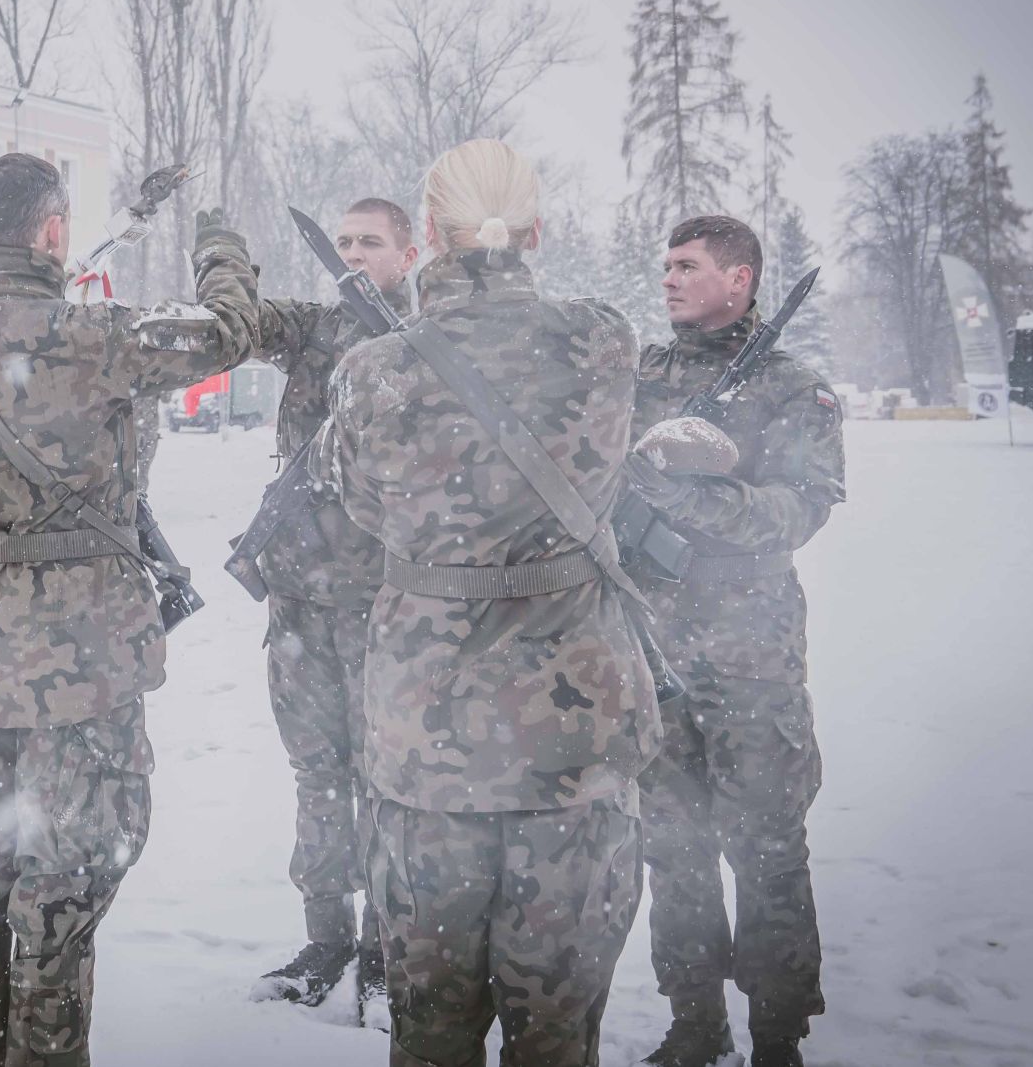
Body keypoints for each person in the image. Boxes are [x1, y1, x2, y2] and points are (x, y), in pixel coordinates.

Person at [0, 153, 260, 1066]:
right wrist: (218, 248)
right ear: (53, 232)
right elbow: (232, 331)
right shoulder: (101, 337)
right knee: (62, 889)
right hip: (83, 662)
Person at [312, 139, 662, 1066]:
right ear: (537, 231)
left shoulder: (373, 370)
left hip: (429, 744)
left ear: (428, 235)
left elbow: (360, 504)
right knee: (557, 1032)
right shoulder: (605, 339)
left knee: (431, 1028)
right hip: (573, 740)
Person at [628, 215, 845, 1067]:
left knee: (766, 847)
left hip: (749, 650)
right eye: (667, 265)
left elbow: (800, 510)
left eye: (688, 266)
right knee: (670, 847)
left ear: (740, 279)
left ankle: (777, 1037)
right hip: (652, 647)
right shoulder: (640, 374)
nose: (671, 279)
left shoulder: (793, 388)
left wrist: (688, 493)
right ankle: (694, 1020)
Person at [246, 197, 419, 1020]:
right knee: (316, 773)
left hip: (384, 597)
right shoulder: (316, 326)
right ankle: (326, 938)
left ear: (408, 254)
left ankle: (387, 952)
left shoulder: (426, 340)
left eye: (370, 242)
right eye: (344, 241)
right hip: (298, 598)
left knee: (384, 779)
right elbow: (247, 323)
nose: (353, 253)